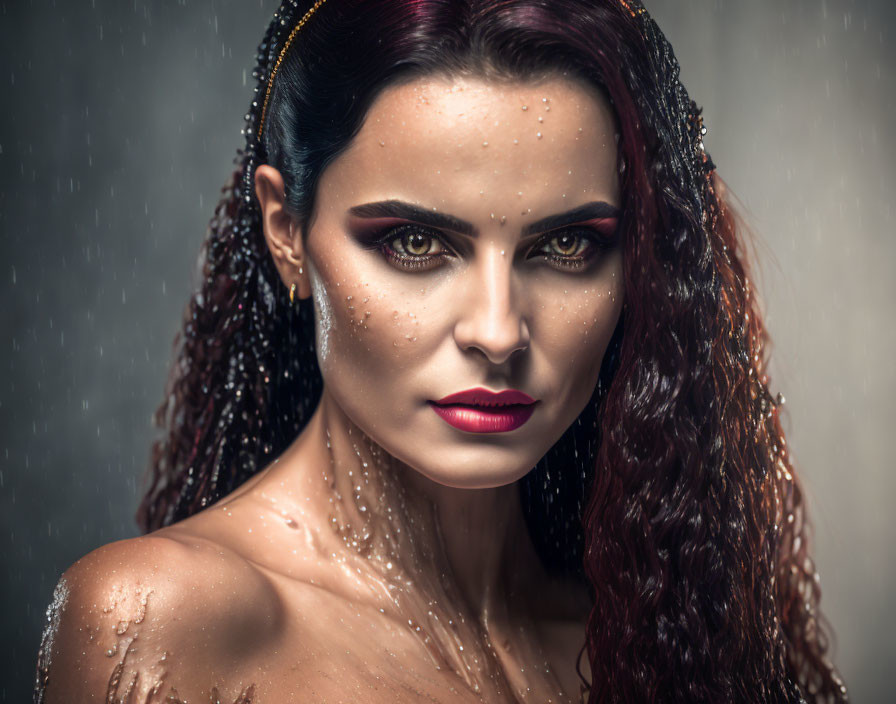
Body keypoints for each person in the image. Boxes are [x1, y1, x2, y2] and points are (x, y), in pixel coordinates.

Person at [34, 1, 849, 702]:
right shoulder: (160, 621)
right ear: (286, 232)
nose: (497, 331)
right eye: (416, 242)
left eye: (566, 246)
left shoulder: (655, 633)